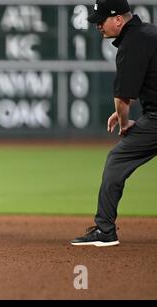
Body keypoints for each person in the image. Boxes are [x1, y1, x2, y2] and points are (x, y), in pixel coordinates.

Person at [72, 0, 157, 247]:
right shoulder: (149, 33)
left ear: (118, 19)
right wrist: (119, 111)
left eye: (102, 20)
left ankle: (105, 230)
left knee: (117, 159)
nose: (98, 25)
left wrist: (124, 122)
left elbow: (122, 97)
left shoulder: (132, 42)